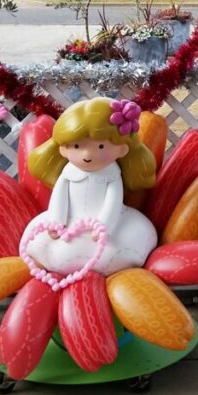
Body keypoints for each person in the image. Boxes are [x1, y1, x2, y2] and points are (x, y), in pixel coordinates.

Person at [23, 97, 158, 276]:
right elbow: (59, 196)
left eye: (101, 146)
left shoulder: (112, 176)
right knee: (42, 245)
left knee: (118, 249)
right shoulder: (68, 173)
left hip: (109, 223)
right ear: (63, 149)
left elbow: (113, 202)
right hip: (69, 220)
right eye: (77, 146)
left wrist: (104, 226)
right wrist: (56, 220)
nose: (87, 154)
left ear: (122, 149)